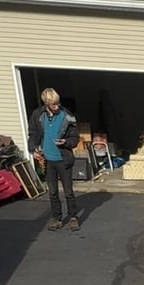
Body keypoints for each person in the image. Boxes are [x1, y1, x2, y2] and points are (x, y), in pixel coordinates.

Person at [27, 88, 81, 231]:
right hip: (48, 160)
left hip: (63, 159)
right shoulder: (38, 115)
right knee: (52, 192)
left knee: (68, 191)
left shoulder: (67, 116)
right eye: (53, 104)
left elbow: (75, 138)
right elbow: (33, 134)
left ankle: (73, 217)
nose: (57, 107)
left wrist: (66, 142)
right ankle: (57, 218)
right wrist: (33, 149)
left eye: (58, 103)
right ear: (46, 104)